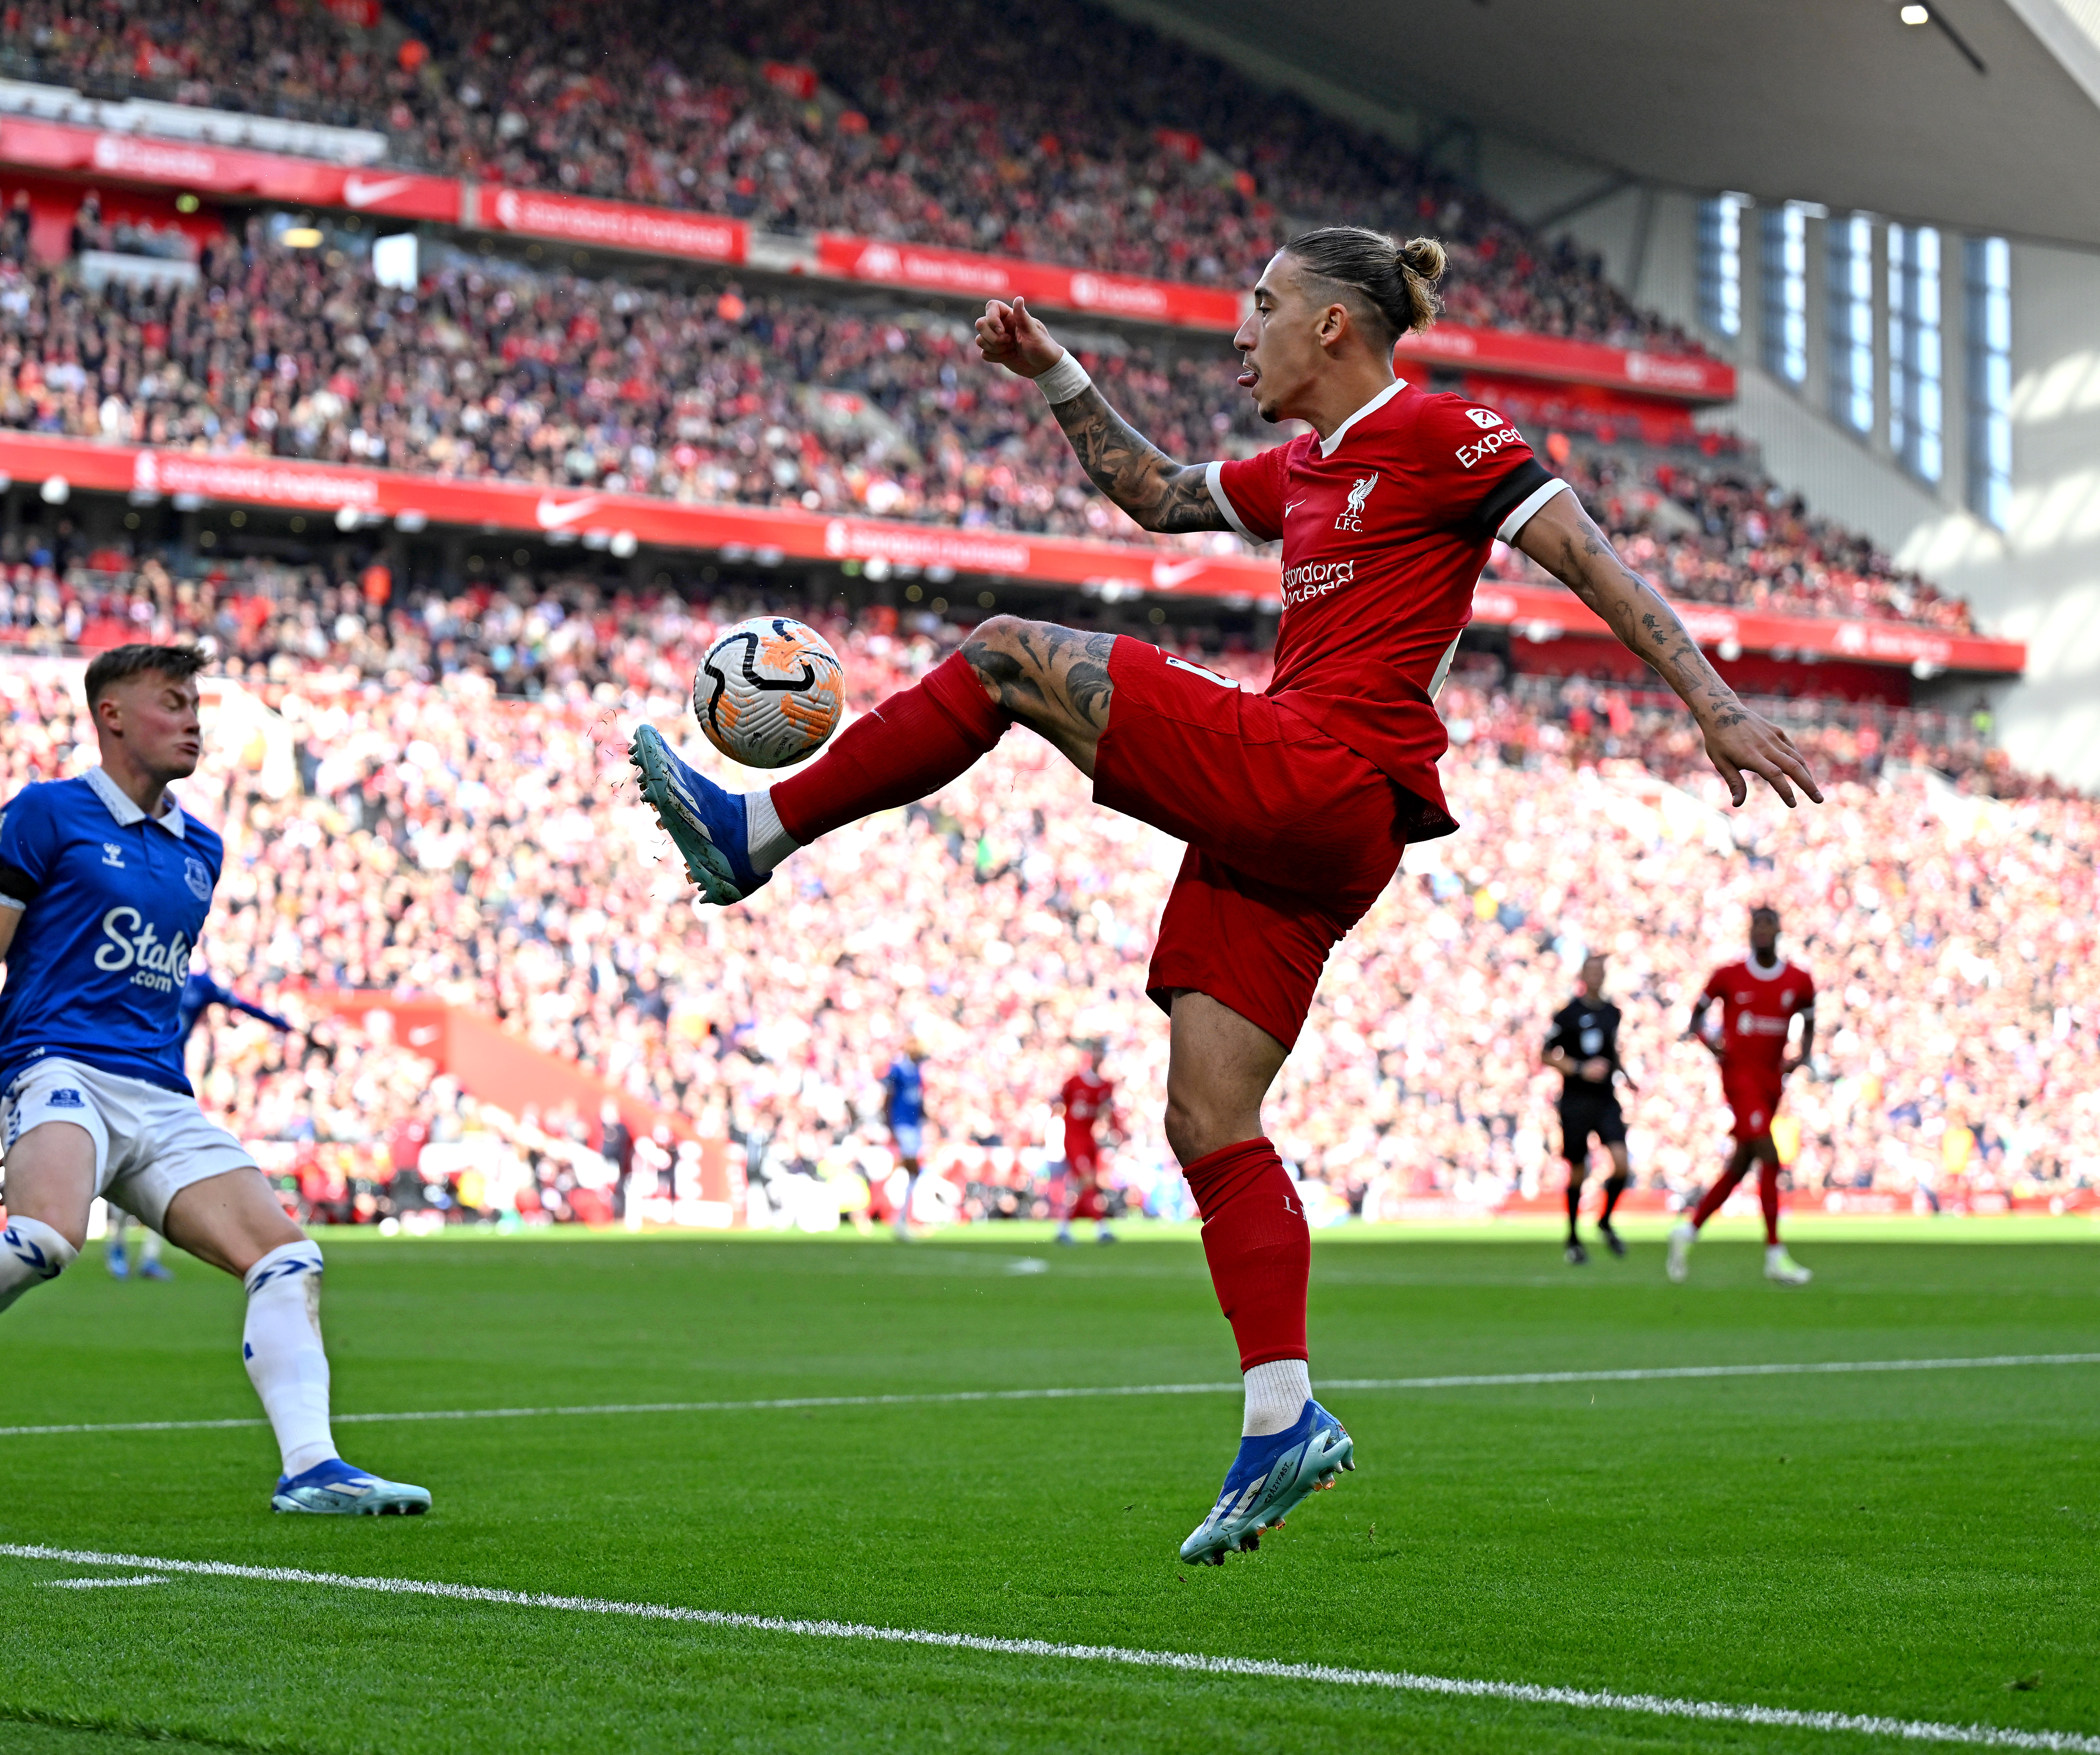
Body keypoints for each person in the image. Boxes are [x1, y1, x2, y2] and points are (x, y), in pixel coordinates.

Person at [630, 227, 1822, 1564]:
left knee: (1008, 653)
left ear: (1330, 326)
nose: (1236, 331)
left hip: (1328, 770)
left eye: (1258, 307)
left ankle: (757, 827)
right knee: (1206, 1114)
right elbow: (1148, 491)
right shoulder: (1296, 472)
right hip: (1305, 818)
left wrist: (1713, 709)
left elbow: (1592, 559)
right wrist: (1053, 371)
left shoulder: (1441, 430)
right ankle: (1281, 1417)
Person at [0, 643, 428, 1516]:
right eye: (172, 702)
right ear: (110, 715)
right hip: (52, 1061)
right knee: (46, 1240)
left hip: (156, 1088)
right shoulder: (45, 815)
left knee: (289, 1256)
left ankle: (310, 1467)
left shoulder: (200, 849)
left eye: (196, 704)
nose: (192, 720)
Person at [102, 963, 303, 1281]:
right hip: (131, 1080)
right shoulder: (139, 972)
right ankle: (118, 1246)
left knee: (161, 1166)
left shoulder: (200, 985)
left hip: (169, 1085)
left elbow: (243, 1006)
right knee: (124, 1164)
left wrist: (283, 1025)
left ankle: (149, 1258)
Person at [1669, 906, 1816, 1287]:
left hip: (1771, 1080)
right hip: (1739, 1077)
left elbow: (1810, 1020)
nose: (1762, 932)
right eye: (1757, 927)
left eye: (1769, 926)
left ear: (1779, 931)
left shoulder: (1798, 979)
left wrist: (1802, 1056)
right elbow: (1695, 1018)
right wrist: (1709, 1043)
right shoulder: (1728, 975)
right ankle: (1774, 1252)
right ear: (1750, 933)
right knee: (1770, 1154)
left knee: (1741, 1164)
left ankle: (1689, 1230)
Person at [1543, 956, 1633, 1264]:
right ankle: (1573, 1237)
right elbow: (1546, 1054)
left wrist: (1626, 1076)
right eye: (1591, 971)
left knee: (1622, 1163)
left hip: (1606, 1099)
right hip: (1576, 1102)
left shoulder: (1613, 1013)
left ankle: (1605, 1220)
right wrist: (1580, 1068)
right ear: (1582, 975)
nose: (1596, 977)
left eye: (1600, 972)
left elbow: (1612, 1050)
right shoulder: (1567, 1014)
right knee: (1579, 1170)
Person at [1055, 1044, 1118, 1245]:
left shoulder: (1106, 1087)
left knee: (1086, 1185)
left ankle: (1064, 1228)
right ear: (1091, 1057)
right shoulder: (1075, 1082)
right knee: (1087, 1180)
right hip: (1074, 1139)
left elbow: (1105, 1112)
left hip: (1089, 1140)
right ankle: (1101, 1228)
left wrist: (1111, 1129)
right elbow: (1059, 1104)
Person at [880, 1038, 927, 1241]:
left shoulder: (917, 1073)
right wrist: (890, 1124)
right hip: (903, 1125)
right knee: (911, 1171)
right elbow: (888, 1098)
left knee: (912, 1173)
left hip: (912, 1126)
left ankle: (902, 1221)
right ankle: (900, 1221)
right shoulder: (899, 1070)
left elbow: (917, 1101)